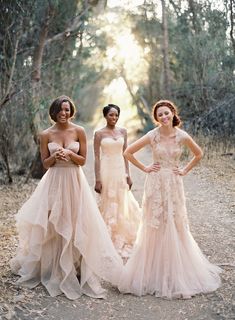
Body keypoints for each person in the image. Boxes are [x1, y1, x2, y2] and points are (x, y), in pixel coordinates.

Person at [11, 96, 123, 300]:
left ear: (71, 111)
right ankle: (52, 268)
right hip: (54, 181)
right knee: (53, 220)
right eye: (61, 110)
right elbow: (45, 164)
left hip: (74, 180)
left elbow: (82, 160)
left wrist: (69, 155)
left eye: (67, 109)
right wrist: (55, 156)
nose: (64, 113)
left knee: (74, 220)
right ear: (54, 111)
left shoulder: (79, 131)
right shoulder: (46, 134)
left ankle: (74, 266)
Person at [118, 100, 222, 299]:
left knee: (175, 222)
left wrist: (184, 169)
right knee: (155, 223)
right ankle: (151, 272)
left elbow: (198, 154)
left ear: (173, 113)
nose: (164, 117)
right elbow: (128, 152)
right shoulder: (152, 135)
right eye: (160, 115)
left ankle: (176, 272)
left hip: (174, 183)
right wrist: (145, 168)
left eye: (166, 113)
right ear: (156, 119)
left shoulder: (182, 135)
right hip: (155, 183)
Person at [94, 104, 141, 258]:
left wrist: (128, 174)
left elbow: (126, 154)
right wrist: (98, 179)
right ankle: (107, 235)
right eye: (111, 115)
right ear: (105, 116)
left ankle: (122, 233)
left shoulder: (123, 132)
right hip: (106, 170)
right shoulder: (99, 134)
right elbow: (96, 157)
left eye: (116, 115)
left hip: (120, 169)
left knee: (122, 200)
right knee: (108, 200)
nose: (114, 118)